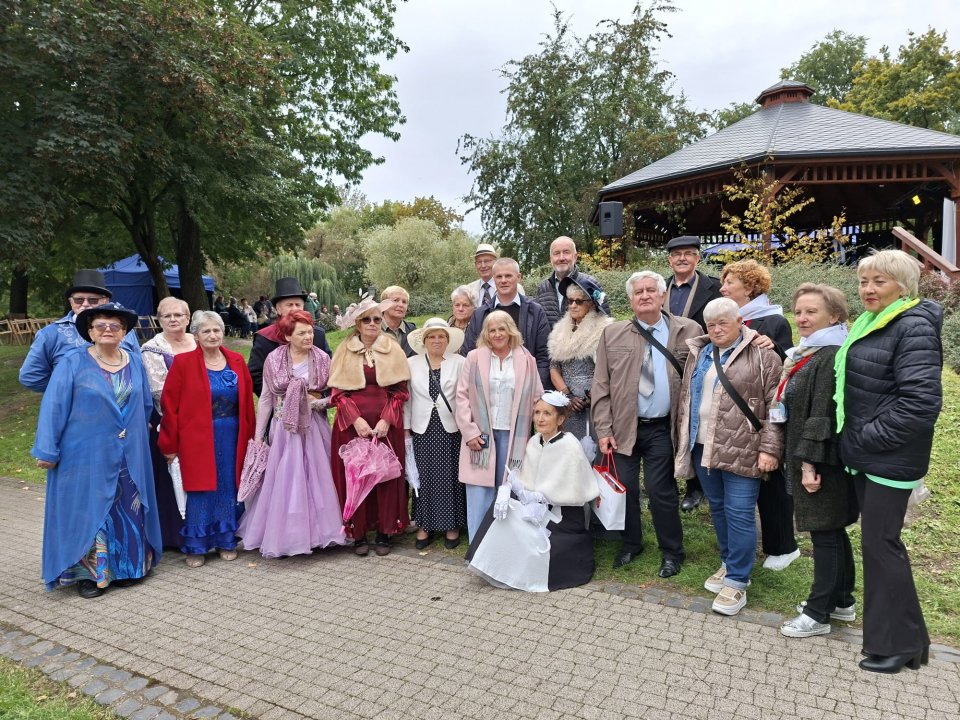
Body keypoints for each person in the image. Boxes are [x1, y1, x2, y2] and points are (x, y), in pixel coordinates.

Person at [835, 249, 941, 673]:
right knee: (880, 546)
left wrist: (868, 437)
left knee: (882, 547)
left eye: (879, 281)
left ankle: (898, 645)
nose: (868, 289)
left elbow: (921, 403)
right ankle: (909, 642)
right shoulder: (874, 320)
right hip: (870, 455)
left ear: (903, 285)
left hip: (888, 457)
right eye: (864, 281)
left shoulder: (912, 326)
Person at [32, 302, 161, 598]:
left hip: (129, 453)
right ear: (89, 332)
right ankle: (91, 575)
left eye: (115, 326)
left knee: (128, 507)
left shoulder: (134, 360)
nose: (107, 330)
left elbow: (144, 404)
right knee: (91, 510)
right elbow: (53, 406)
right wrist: (47, 450)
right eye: (100, 325)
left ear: (124, 332)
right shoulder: (72, 362)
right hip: (85, 453)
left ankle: (128, 567)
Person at [674, 297, 784, 616]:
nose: (717, 329)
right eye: (711, 324)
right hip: (702, 445)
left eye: (723, 322)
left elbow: (777, 405)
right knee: (719, 509)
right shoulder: (700, 352)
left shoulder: (763, 354)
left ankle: (737, 582)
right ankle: (729, 562)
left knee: (739, 513)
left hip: (743, 447)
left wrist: (771, 448)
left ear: (740, 321)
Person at [591, 271, 701, 577]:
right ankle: (631, 544)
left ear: (663, 295)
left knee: (660, 490)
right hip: (623, 428)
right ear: (630, 300)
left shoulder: (688, 330)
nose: (645, 295)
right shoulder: (612, 334)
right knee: (625, 489)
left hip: (662, 428)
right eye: (638, 292)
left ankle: (672, 552)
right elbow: (601, 386)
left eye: (651, 290)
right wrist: (603, 429)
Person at [777, 284, 857, 639]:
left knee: (824, 534)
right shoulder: (811, 351)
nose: (802, 318)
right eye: (798, 312)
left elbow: (821, 414)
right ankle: (842, 601)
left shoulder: (830, 354)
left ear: (834, 315)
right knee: (832, 530)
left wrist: (809, 465)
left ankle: (817, 613)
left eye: (812, 312)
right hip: (816, 456)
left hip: (820, 461)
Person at [466, 392, 600, 591]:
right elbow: (527, 482)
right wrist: (510, 489)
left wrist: (538, 498)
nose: (540, 418)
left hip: (563, 517)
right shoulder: (535, 441)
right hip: (537, 507)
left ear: (560, 419)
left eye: (547, 413)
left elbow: (573, 493)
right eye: (537, 413)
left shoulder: (569, 445)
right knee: (502, 506)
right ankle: (490, 563)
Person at [237, 311, 346, 557]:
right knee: (286, 480)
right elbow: (266, 398)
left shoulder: (322, 358)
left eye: (310, 332)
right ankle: (288, 535)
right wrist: (258, 436)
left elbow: (336, 396)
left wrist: (317, 402)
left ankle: (320, 534)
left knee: (317, 479)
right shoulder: (274, 359)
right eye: (302, 333)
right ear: (287, 336)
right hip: (284, 429)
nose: (309, 337)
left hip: (314, 427)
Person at [719, 258, 799, 570]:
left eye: (730, 282)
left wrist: (774, 347)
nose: (723, 288)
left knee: (772, 482)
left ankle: (783, 546)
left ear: (750, 287)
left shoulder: (773, 321)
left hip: (763, 417)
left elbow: (789, 366)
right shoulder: (729, 320)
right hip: (735, 417)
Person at [159, 311, 255, 567]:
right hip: (197, 438)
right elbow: (170, 406)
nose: (212, 335)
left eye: (216, 330)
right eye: (206, 331)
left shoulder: (236, 360)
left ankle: (226, 540)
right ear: (196, 335)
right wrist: (169, 444)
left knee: (228, 487)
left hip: (232, 435)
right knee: (201, 490)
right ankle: (197, 545)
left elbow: (247, 405)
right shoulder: (183, 363)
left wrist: (251, 438)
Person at [328, 296, 411, 557]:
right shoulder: (344, 350)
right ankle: (359, 532)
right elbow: (338, 394)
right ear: (358, 324)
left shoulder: (392, 348)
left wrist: (387, 419)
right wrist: (357, 420)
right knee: (357, 476)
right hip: (352, 425)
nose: (373, 324)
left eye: (376, 319)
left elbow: (401, 391)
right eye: (367, 320)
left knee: (386, 476)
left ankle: (386, 531)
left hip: (386, 423)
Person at [456, 311, 543, 542]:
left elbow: (537, 397)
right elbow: (461, 397)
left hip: (514, 436)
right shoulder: (474, 357)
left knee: (509, 490)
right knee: (479, 493)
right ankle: (477, 547)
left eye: (502, 329)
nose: (497, 334)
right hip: (481, 435)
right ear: (486, 333)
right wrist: (470, 432)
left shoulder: (527, 359)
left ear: (510, 330)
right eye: (492, 330)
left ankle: (504, 548)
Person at [663, 236, 722, 512]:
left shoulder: (714, 288)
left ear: (698, 258)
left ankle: (695, 486)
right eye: (677, 255)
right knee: (667, 422)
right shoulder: (659, 288)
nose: (682, 258)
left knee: (693, 423)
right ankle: (667, 480)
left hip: (700, 361)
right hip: (665, 364)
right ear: (669, 260)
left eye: (688, 253)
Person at [19, 269, 141, 393]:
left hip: (125, 401)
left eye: (93, 300)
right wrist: (67, 392)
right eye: (79, 300)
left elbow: (139, 367)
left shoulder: (124, 330)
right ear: (71, 301)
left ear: (106, 301)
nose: (85, 304)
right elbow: (30, 376)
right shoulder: (50, 334)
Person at [404, 318, 467, 549]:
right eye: (431, 336)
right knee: (424, 476)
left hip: (451, 428)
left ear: (448, 340)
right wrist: (406, 428)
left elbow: (465, 396)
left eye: (441, 336)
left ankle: (452, 525)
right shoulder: (411, 363)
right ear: (424, 340)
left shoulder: (460, 362)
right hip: (423, 429)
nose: (436, 340)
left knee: (451, 476)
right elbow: (407, 399)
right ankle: (425, 525)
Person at [141, 297, 196, 549]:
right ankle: (175, 534)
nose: (173, 319)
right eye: (167, 316)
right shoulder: (152, 349)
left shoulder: (198, 341)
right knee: (172, 477)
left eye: (178, 315)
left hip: (202, 421)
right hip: (169, 420)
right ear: (159, 319)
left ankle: (203, 528)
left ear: (188, 317)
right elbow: (159, 391)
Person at [462, 258, 550, 386]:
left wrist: (535, 387)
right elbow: (468, 354)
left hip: (526, 385)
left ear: (518, 277)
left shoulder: (535, 311)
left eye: (508, 276)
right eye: (499, 276)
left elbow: (543, 355)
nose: (503, 280)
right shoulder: (480, 314)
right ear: (494, 279)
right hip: (488, 388)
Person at [547, 276, 612, 440]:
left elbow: (610, 369)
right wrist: (568, 396)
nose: (573, 305)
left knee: (597, 447)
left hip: (597, 402)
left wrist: (596, 394)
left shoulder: (605, 330)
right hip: (568, 404)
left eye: (579, 301)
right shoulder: (559, 332)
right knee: (569, 447)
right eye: (570, 301)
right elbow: (554, 368)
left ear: (591, 304)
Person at [248, 277, 331, 395]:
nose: (294, 309)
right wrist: (280, 398)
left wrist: (320, 396)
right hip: (279, 401)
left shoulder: (318, 334)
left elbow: (330, 370)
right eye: (290, 305)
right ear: (278, 309)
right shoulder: (264, 338)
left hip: (314, 401)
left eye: (298, 305)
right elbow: (255, 375)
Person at [535, 236, 609, 327]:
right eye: (556, 253)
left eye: (566, 252)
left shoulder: (590, 284)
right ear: (551, 259)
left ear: (575, 257)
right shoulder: (543, 287)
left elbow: (606, 324)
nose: (561, 258)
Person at [380, 285, 417, 357]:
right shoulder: (371, 328)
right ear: (383, 304)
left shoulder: (413, 332)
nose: (401, 305)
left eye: (404, 302)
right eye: (396, 300)